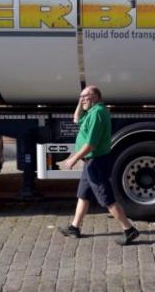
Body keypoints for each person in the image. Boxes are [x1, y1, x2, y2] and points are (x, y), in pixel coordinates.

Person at [58, 85, 140, 245]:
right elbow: (76, 119)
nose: (82, 100)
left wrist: (73, 159)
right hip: (90, 162)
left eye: (85, 96)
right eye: (80, 96)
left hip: (96, 162)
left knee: (106, 198)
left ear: (95, 96)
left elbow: (91, 144)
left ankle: (129, 230)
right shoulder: (90, 112)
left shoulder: (98, 114)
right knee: (83, 195)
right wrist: (80, 101)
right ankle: (74, 227)